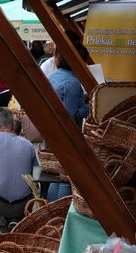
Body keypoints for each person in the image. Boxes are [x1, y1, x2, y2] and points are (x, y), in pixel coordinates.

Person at [47, 44, 90, 200]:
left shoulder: (54, 76)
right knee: (66, 177)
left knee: (56, 176)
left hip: (51, 131)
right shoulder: (72, 83)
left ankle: (51, 207)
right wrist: (88, 108)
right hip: (65, 136)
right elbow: (70, 116)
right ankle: (61, 210)